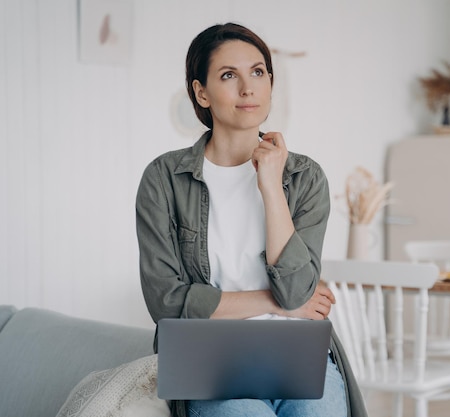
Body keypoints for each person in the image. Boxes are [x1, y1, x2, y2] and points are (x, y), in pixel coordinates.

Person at [135, 22, 367, 417]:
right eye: (229, 75)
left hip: (300, 355)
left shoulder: (304, 177)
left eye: (258, 72)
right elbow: (167, 303)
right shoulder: (164, 179)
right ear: (201, 92)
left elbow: (296, 291)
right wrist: (277, 306)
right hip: (212, 359)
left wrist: (271, 188)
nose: (248, 88)